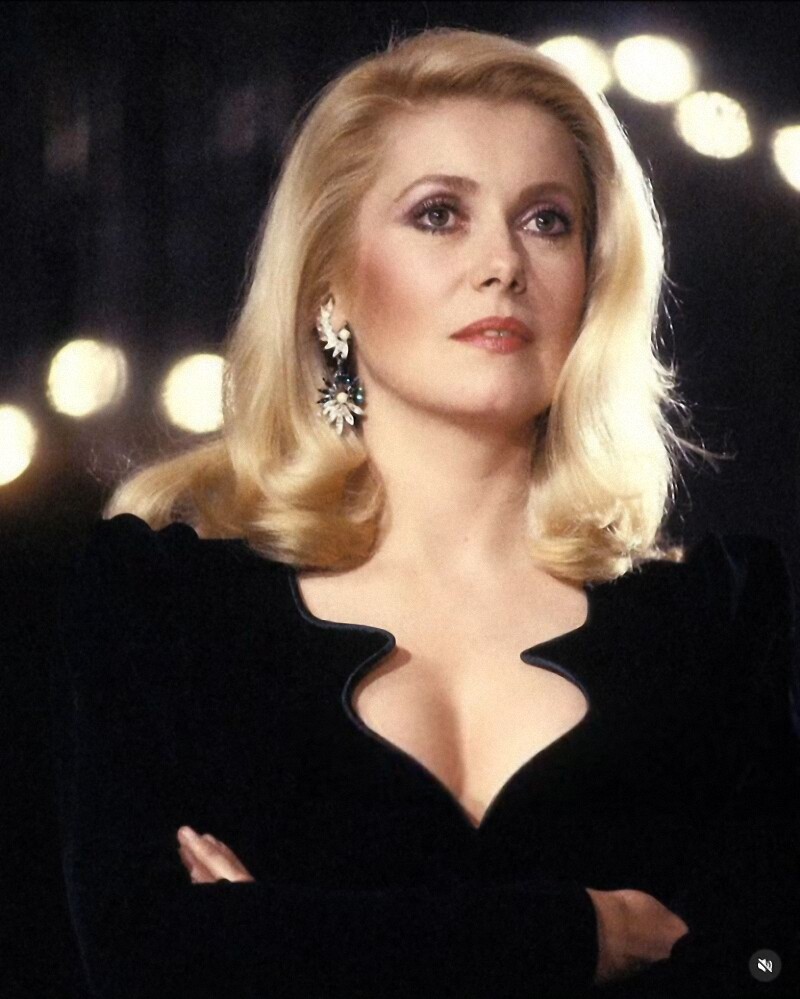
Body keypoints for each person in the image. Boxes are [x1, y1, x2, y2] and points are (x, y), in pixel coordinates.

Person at [48, 25, 800, 999]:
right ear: (329, 285)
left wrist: (286, 936)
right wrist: (578, 934)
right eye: (440, 214)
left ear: (592, 278)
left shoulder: (713, 620)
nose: (503, 264)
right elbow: (146, 960)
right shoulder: (162, 608)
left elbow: (765, 964)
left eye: (547, 221)